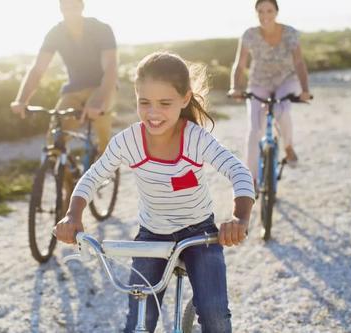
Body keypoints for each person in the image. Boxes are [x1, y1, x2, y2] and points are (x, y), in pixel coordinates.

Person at [55, 52, 255, 333]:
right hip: (152, 235)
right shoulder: (129, 141)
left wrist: (240, 218)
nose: (153, 112)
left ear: (185, 99)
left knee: (214, 315)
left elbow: (240, 173)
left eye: (165, 103)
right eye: (144, 102)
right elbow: (92, 177)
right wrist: (72, 216)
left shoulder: (195, 139)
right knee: (140, 321)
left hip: (200, 234)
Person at [10, 0, 118, 154]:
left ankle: (107, 171)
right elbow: (38, 69)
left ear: (82, 6)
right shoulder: (55, 33)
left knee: (103, 140)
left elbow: (110, 67)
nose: (70, 11)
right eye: (66, 7)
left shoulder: (101, 29)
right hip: (73, 90)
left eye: (74, 6)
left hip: (102, 87)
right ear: (60, 9)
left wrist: (99, 100)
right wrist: (22, 100)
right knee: (55, 141)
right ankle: (65, 177)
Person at [228, 0, 312, 182]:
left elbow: (299, 62)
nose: (265, 15)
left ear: (276, 12)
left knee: (281, 111)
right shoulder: (249, 34)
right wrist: (235, 87)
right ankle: (250, 182)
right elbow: (240, 64)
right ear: (256, 12)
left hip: (286, 81)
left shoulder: (290, 33)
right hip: (259, 82)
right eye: (260, 11)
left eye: (269, 10)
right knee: (255, 130)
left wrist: (305, 90)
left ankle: (288, 147)